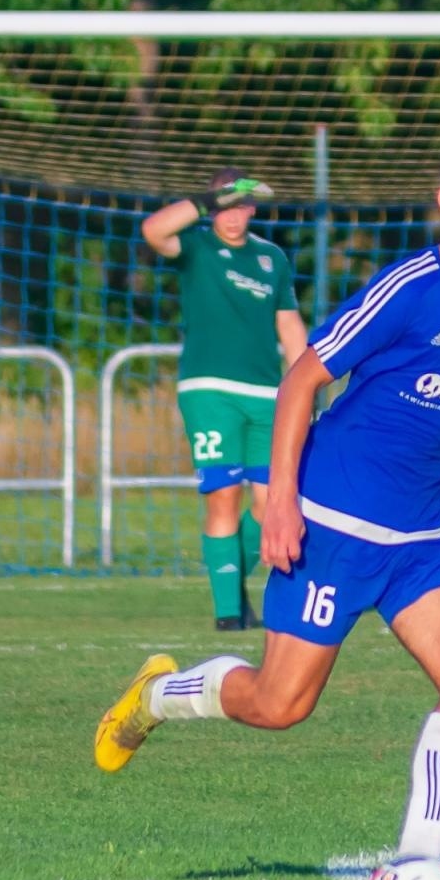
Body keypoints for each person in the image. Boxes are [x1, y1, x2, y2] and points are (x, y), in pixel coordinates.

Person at [97, 132, 440, 880]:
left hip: (418, 540)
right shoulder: (406, 288)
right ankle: (159, 693)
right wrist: (279, 501)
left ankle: (417, 868)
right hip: (332, 521)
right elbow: (302, 378)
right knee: (280, 706)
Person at [141, 168, 308, 630]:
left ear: (252, 210)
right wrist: (206, 199)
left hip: (266, 395)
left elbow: (290, 325)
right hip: (209, 390)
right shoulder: (195, 248)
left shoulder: (271, 258)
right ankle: (228, 614)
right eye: (223, 206)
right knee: (223, 499)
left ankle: (231, 587)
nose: (232, 216)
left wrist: (303, 388)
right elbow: (153, 230)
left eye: (240, 206)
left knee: (271, 502)